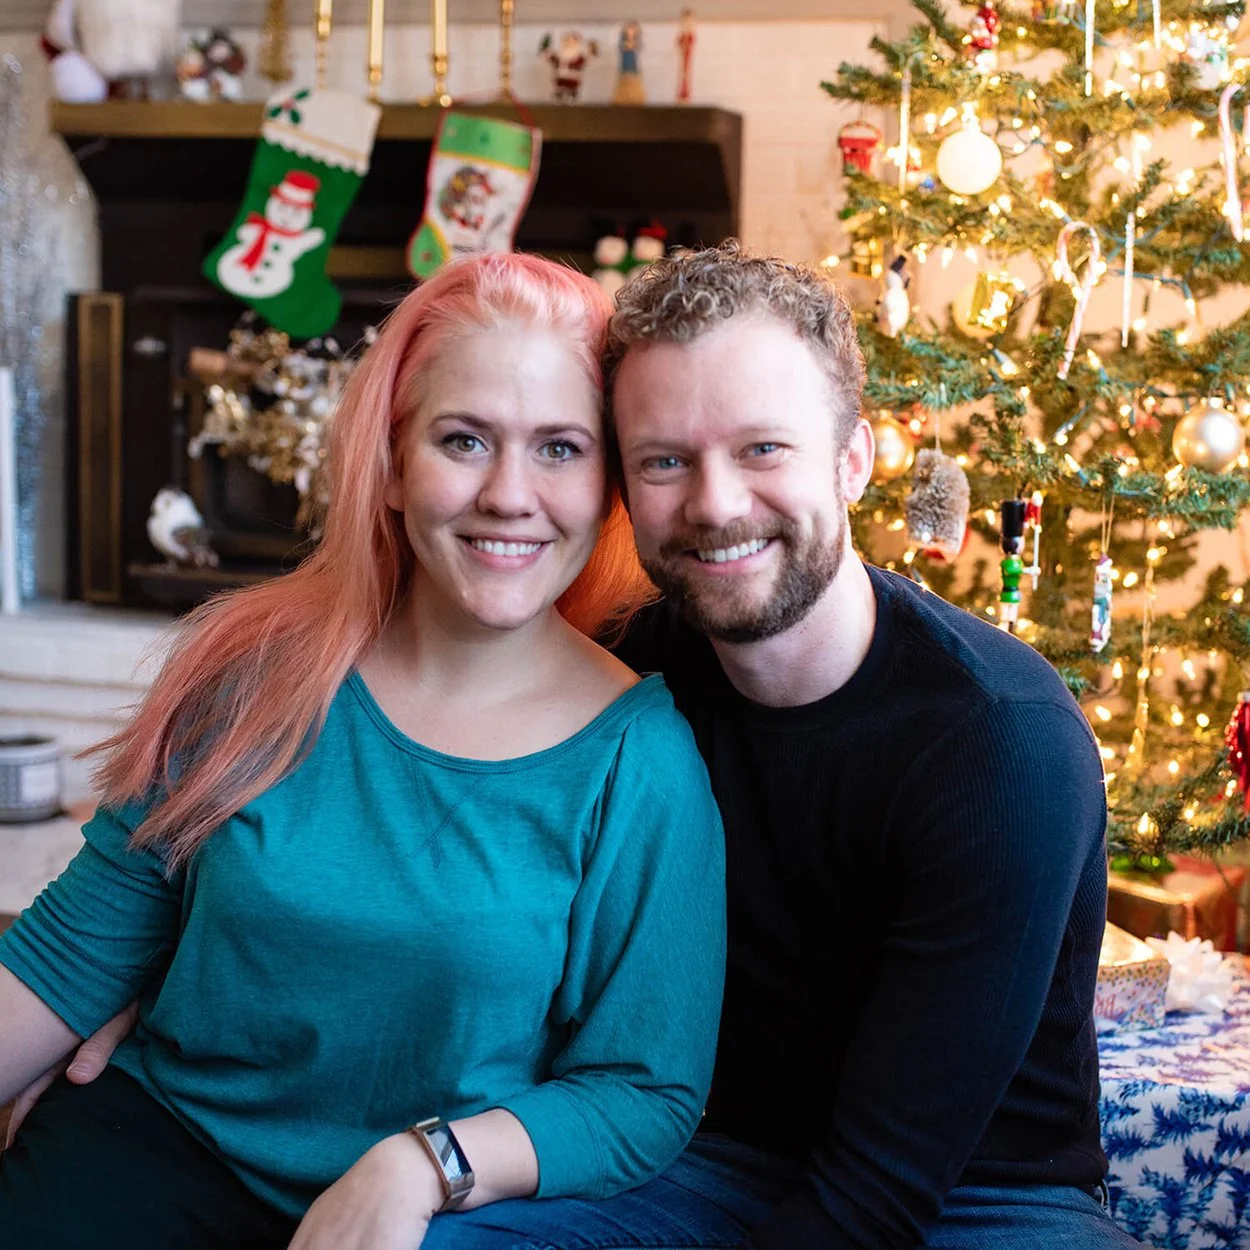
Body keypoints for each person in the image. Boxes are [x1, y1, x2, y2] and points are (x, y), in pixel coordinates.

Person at [15, 242, 1138, 1250]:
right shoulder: (638, 653)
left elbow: (871, 1194)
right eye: (662, 460)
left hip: (974, 1194)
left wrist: (444, 1156)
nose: (715, 505)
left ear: (852, 459)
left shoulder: (998, 748)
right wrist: (162, 960)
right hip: (708, 1158)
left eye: (762, 448)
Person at [0, 253, 727, 1250]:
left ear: (606, 484)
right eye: (463, 438)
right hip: (157, 1143)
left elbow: (644, 1091)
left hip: (423, 1209)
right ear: (388, 464)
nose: (509, 493)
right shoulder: (255, 671)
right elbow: (68, 955)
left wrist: (428, 1160)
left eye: (559, 447)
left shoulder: (636, 761)